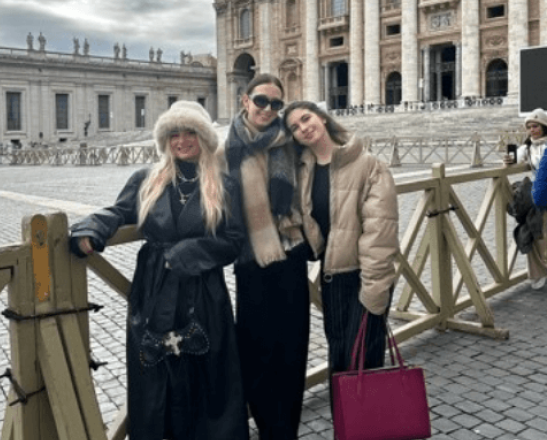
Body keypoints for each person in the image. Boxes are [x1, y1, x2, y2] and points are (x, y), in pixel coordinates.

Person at [69, 101, 249, 440]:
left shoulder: (223, 184)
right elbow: (120, 212)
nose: (181, 141)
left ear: (204, 138)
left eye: (190, 133)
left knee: (206, 369)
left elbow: (234, 240)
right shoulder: (146, 178)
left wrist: (192, 251)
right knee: (154, 368)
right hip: (154, 287)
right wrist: (90, 229)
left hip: (203, 290)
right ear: (165, 140)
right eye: (174, 134)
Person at [283, 101, 399, 417]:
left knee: (361, 360)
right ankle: (347, 429)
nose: (303, 127)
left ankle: (369, 430)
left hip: (365, 275)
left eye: (306, 118)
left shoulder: (369, 165)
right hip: (332, 279)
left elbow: (381, 232)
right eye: (294, 126)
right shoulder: (302, 171)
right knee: (340, 363)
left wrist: (374, 290)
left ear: (322, 117)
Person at [224, 74, 314, 440]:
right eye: (261, 101)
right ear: (245, 100)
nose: (268, 109)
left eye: (276, 104)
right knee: (257, 354)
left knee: (292, 353)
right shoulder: (225, 148)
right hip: (250, 263)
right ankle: (265, 426)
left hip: (291, 259)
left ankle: (285, 431)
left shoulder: (292, 142)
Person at [504, 108, 547, 289]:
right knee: (535, 233)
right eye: (529, 126)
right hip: (539, 195)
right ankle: (538, 273)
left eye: (535, 125)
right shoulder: (527, 147)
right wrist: (508, 161)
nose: (532, 130)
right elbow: (514, 162)